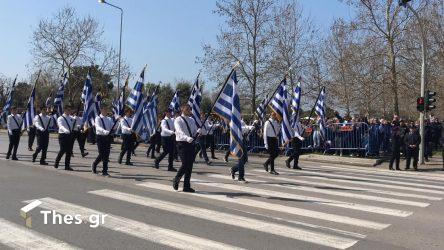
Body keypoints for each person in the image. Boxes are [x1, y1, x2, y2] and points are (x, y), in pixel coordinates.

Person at [173, 104, 197, 192]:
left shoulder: (192, 120)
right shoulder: (178, 120)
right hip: (182, 143)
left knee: (190, 165)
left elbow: (194, 132)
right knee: (185, 163)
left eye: (189, 109)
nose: (188, 111)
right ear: (182, 109)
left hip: (190, 143)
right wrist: (187, 138)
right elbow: (179, 131)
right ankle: (176, 178)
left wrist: (198, 132)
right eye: (187, 109)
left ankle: (186, 186)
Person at [92, 106, 116, 176]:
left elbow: (113, 127)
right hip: (100, 137)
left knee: (106, 154)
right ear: (101, 110)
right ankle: (95, 164)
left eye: (106, 109)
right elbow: (98, 127)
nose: (106, 111)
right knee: (102, 154)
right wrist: (105, 131)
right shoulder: (98, 118)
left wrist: (117, 121)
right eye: (104, 109)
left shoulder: (109, 119)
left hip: (107, 137)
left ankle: (104, 171)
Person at [54, 106, 74, 171]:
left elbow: (74, 125)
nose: (70, 111)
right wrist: (65, 130)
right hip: (63, 135)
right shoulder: (60, 118)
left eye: (70, 110)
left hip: (70, 135)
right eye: (68, 110)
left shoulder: (71, 118)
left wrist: (78, 126)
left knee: (69, 151)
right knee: (62, 150)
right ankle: (57, 161)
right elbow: (60, 126)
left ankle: (67, 166)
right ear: (65, 110)